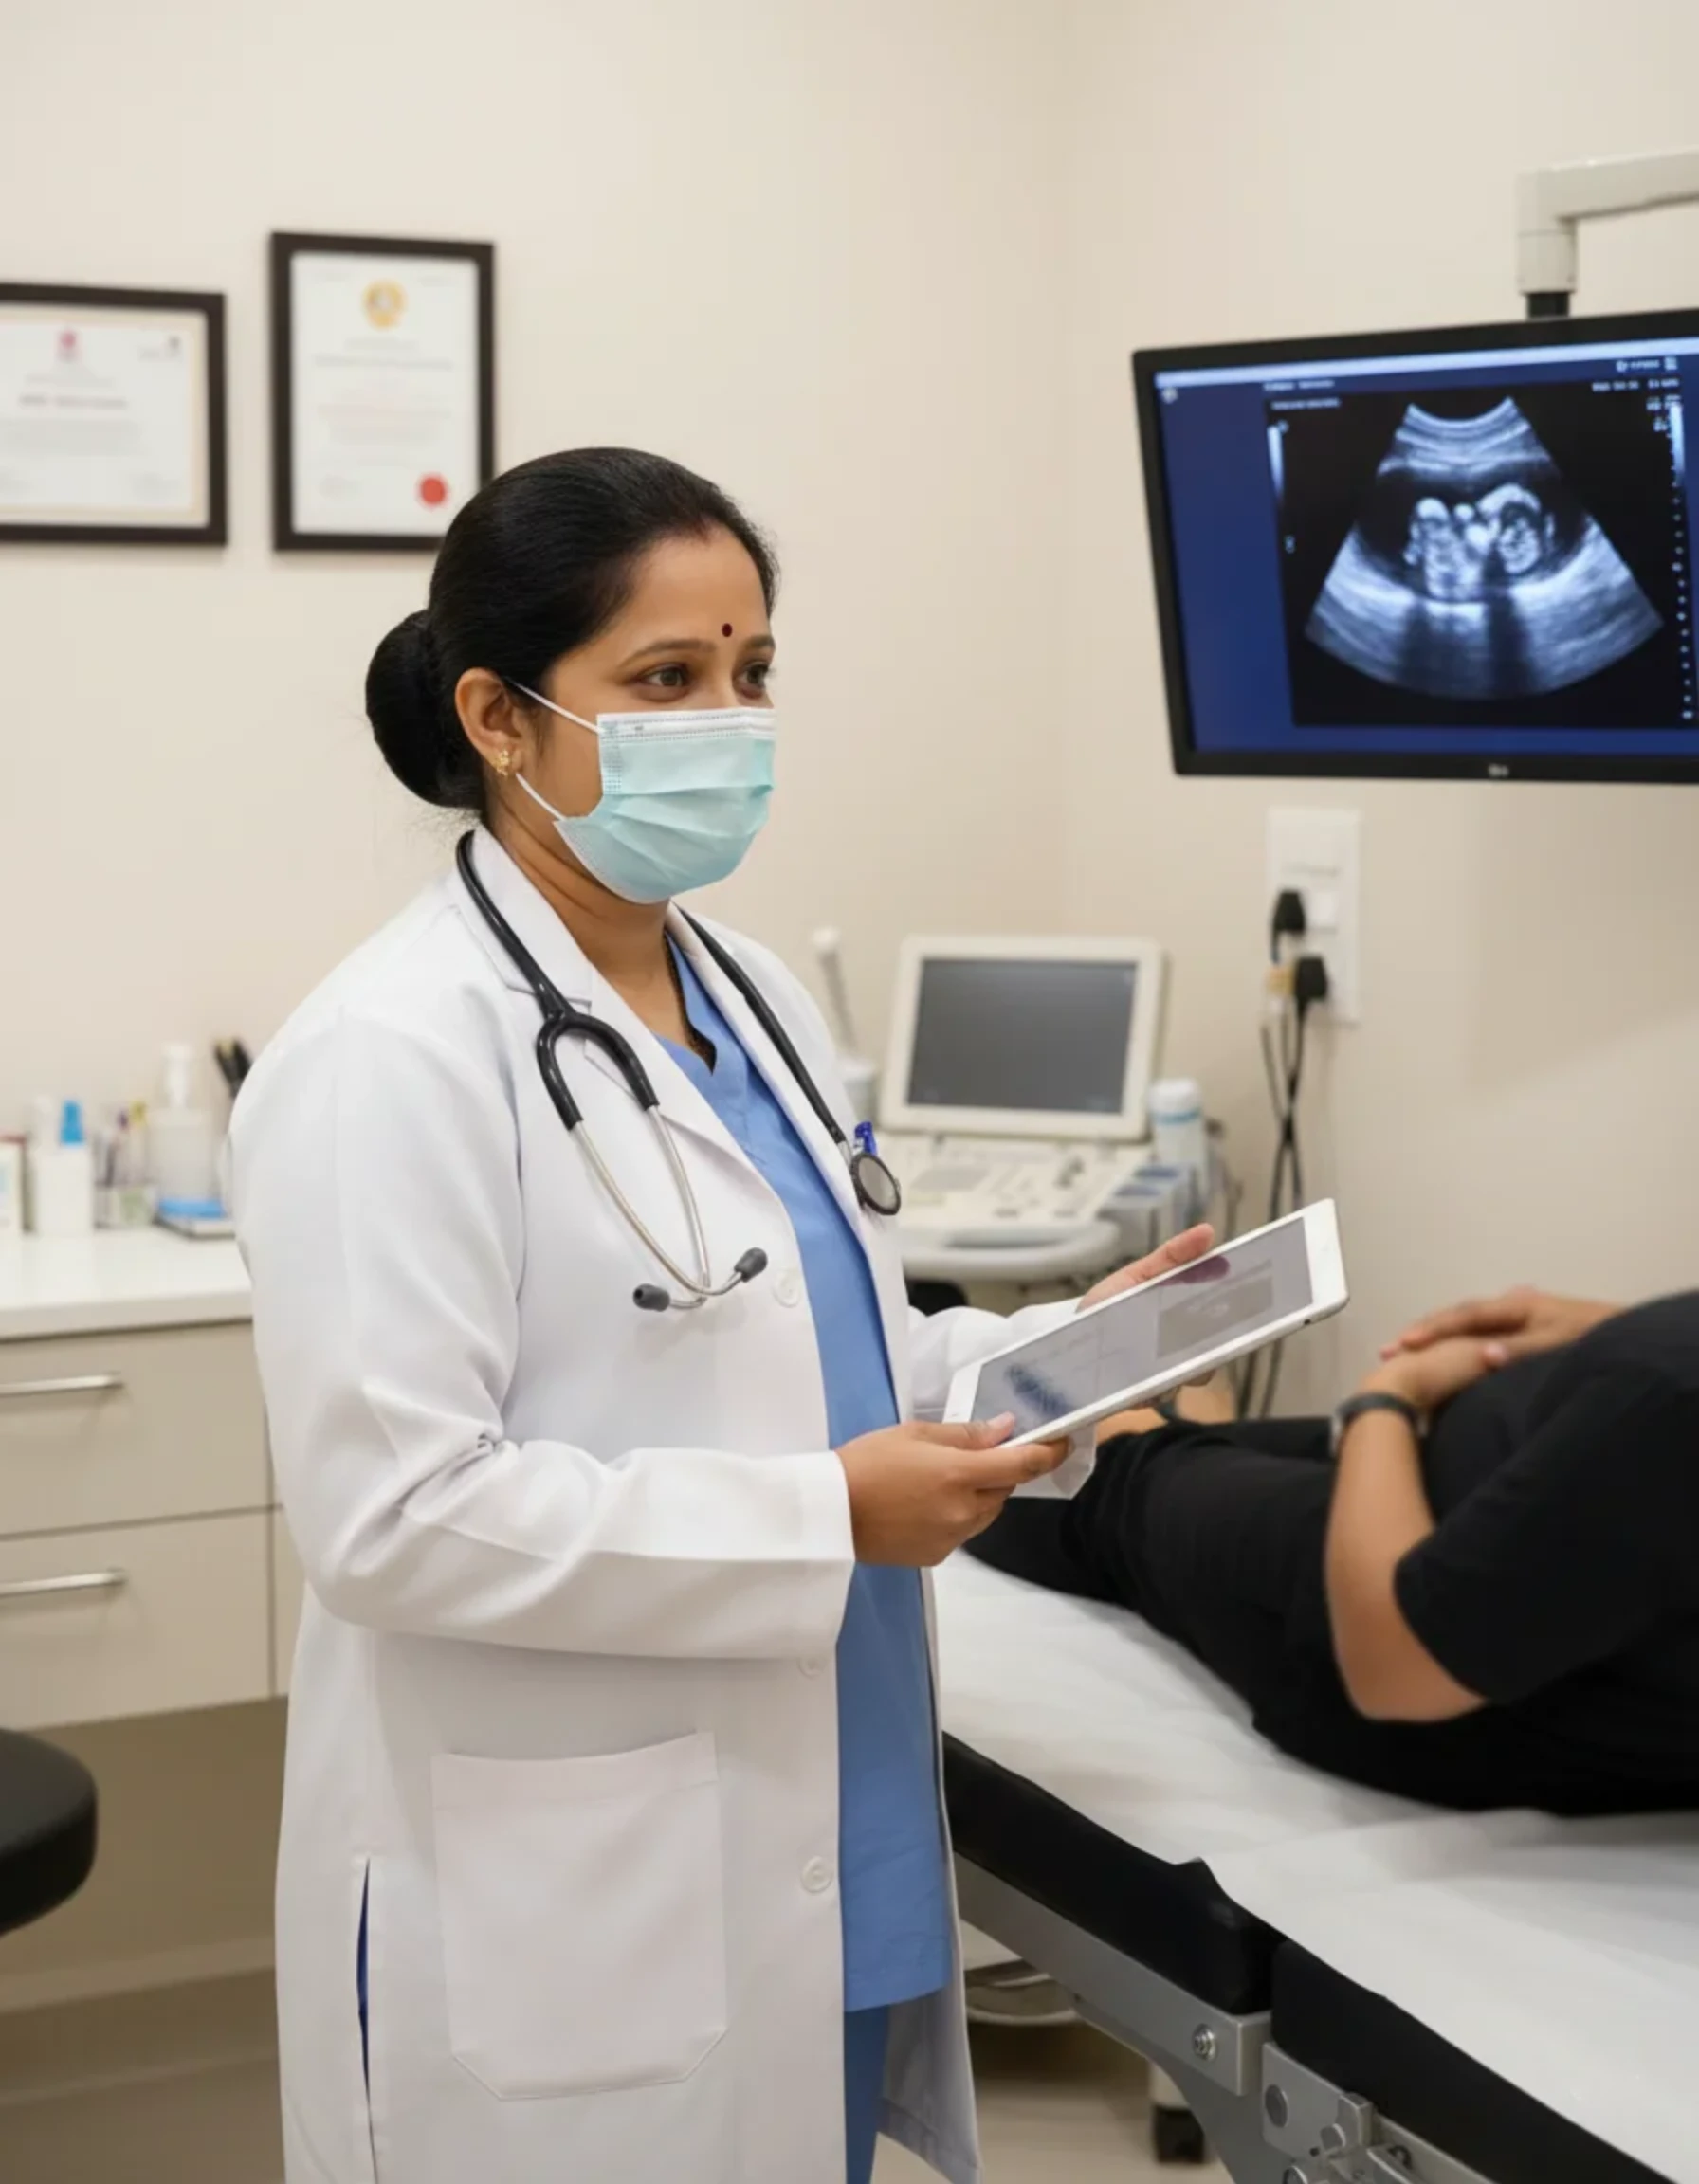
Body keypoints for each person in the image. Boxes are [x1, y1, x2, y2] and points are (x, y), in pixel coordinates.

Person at [229, 446, 1213, 2184]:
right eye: (665, 678)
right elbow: (394, 1520)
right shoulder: (389, 1051)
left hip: (816, 1809)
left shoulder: (742, 985)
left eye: (751, 670)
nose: (729, 716)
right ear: (503, 717)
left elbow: (825, 1348)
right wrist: (829, 1511)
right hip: (581, 1892)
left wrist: (1060, 1350)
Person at [969, 1283, 1699, 1815]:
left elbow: (1392, 1670)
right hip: (1495, 1483)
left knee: (1096, 1473)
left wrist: (1384, 1402)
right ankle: (1188, 1424)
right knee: (1161, 1438)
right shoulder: (1662, 1402)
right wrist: (1614, 1337)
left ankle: (1175, 1428)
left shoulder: (1669, 1402)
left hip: (1383, 1611)